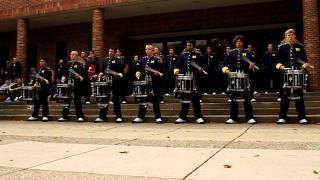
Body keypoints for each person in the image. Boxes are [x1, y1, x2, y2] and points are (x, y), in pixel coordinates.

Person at [275, 29, 314, 124]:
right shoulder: (281, 48)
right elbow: (276, 61)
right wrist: (280, 66)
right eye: (288, 35)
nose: (290, 36)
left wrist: (304, 65)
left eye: (292, 34)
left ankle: (302, 117)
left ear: (295, 36)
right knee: (285, 96)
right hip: (285, 74)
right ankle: (282, 116)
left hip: (297, 74)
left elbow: (304, 61)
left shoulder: (300, 47)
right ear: (285, 37)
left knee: (299, 96)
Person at [221, 35, 256, 124]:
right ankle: (233, 117)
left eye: (240, 41)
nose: (238, 43)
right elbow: (224, 63)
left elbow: (253, 63)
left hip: (245, 77)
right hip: (234, 77)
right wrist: (226, 70)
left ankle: (249, 117)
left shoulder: (248, 52)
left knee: (247, 98)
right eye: (237, 42)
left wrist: (251, 66)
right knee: (233, 98)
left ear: (243, 43)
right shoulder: (231, 53)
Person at [174, 40, 205, 124]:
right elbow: (177, 65)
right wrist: (176, 71)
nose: (189, 46)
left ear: (193, 46)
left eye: (190, 45)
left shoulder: (198, 55)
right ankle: (182, 117)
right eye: (187, 45)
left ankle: (198, 117)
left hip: (195, 79)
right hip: (185, 80)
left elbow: (203, 65)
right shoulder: (183, 55)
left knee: (195, 99)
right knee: (185, 98)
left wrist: (200, 69)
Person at [132, 44, 163, 123]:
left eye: (149, 49)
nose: (147, 50)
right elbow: (138, 69)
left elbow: (160, 71)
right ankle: (140, 117)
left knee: (155, 100)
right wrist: (137, 72)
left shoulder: (156, 59)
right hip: (144, 83)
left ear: (152, 51)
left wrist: (157, 73)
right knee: (143, 100)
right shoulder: (142, 60)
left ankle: (158, 117)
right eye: (146, 49)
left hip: (154, 83)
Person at [95, 48, 124, 123]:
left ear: (115, 53)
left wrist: (117, 74)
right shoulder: (105, 60)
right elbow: (102, 70)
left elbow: (121, 72)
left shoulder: (117, 60)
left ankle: (118, 116)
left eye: (111, 51)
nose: (110, 52)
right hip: (106, 83)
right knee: (104, 99)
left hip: (115, 82)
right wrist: (101, 74)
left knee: (116, 99)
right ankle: (102, 116)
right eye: (109, 51)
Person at [58, 51, 86, 122]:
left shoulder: (80, 63)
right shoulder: (67, 63)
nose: (72, 56)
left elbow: (83, 74)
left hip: (76, 84)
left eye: (74, 55)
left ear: (77, 56)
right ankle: (64, 116)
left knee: (77, 100)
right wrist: (63, 75)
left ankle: (80, 116)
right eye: (71, 54)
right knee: (66, 100)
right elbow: (64, 72)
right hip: (68, 84)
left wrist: (79, 76)